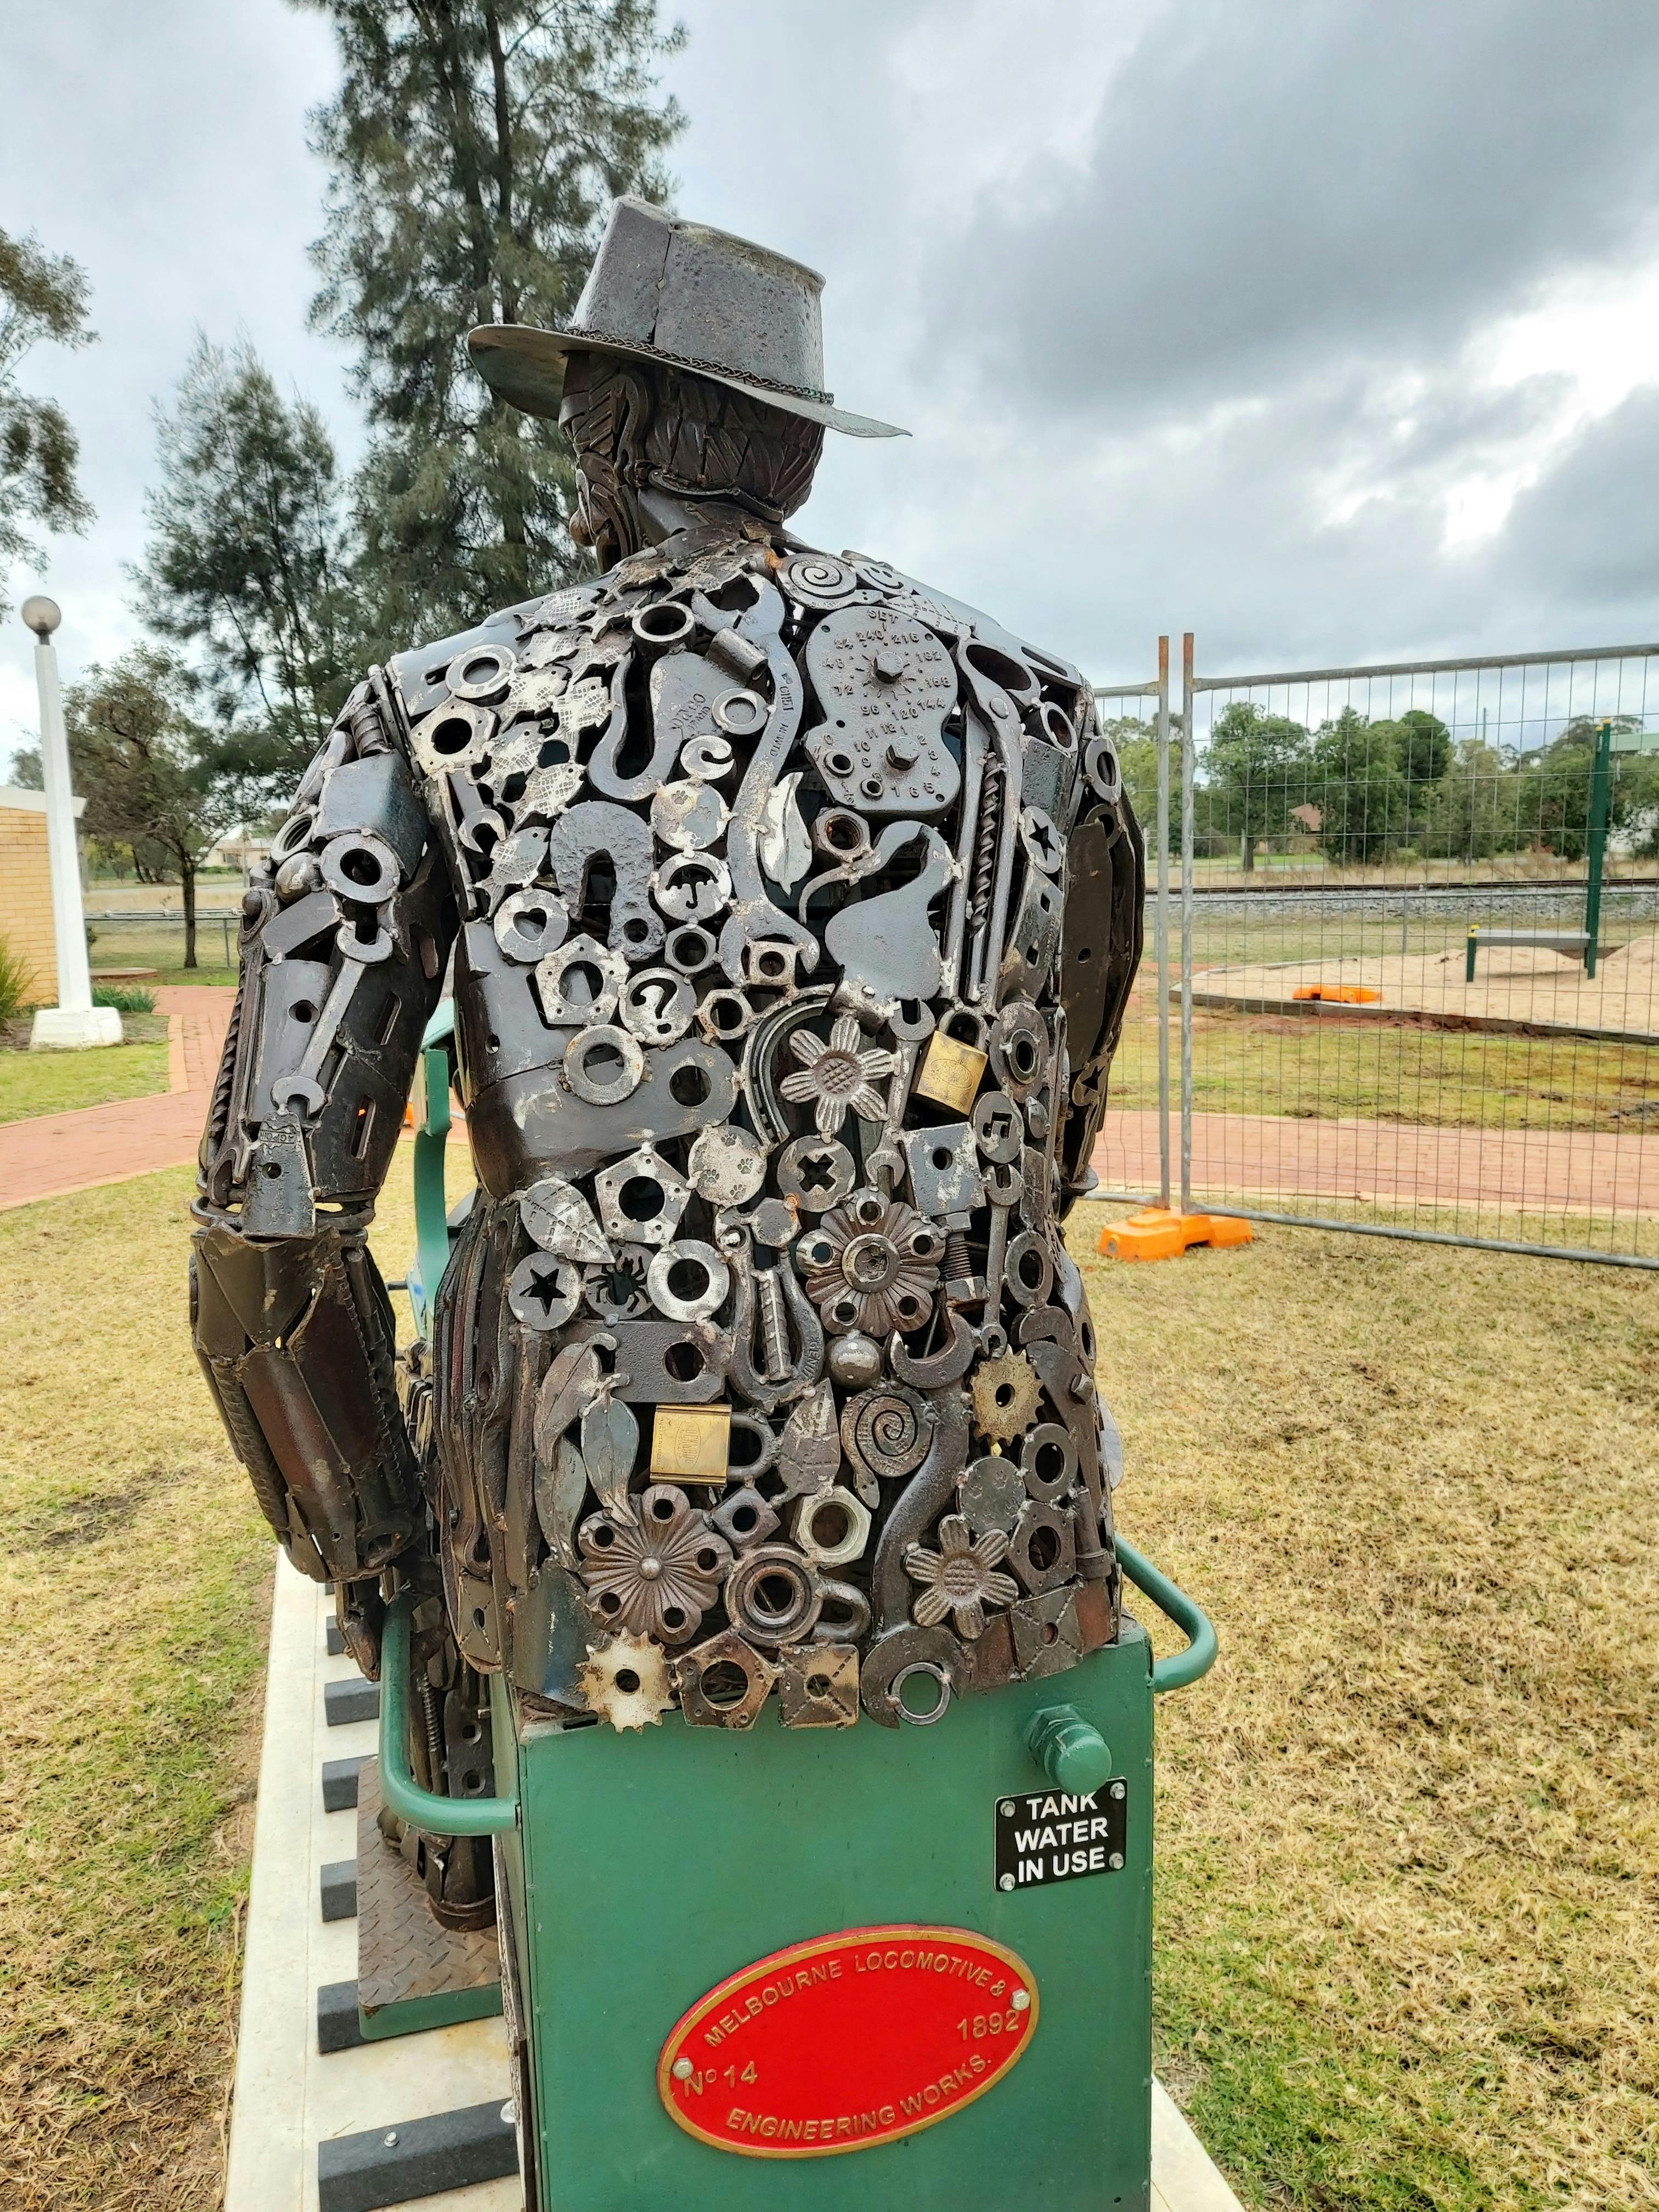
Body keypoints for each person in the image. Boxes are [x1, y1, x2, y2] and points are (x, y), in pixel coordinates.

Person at [190, 200, 1143, 1897]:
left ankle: (474, 1791)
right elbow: (1046, 1149)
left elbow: (267, 1232)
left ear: (610, 437)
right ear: (797, 451)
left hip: (587, 1553)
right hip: (995, 1526)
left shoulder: (440, 707)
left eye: (581, 420)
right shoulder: (1047, 710)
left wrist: (390, 1576)